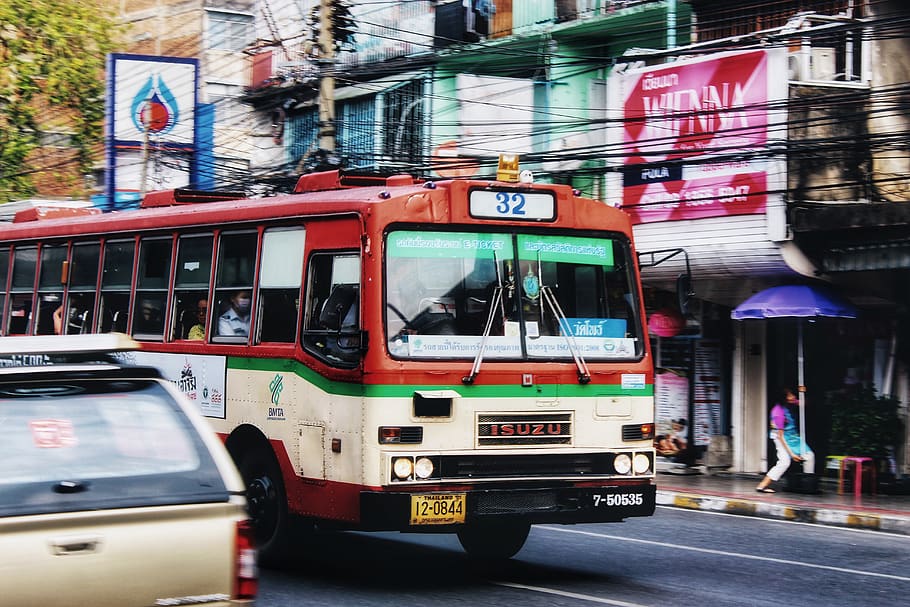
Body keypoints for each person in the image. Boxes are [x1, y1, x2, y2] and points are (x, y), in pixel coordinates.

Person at [756, 387, 816, 493]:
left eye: (792, 394)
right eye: (790, 395)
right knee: (784, 461)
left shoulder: (789, 404)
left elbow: (803, 403)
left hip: (794, 437)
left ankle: (807, 484)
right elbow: (780, 436)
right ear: (783, 398)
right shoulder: (777, 413)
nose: (793, 397)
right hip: (781, 438)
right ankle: (763, 485)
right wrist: (792, 454)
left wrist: (803, 392)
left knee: (810, 456)